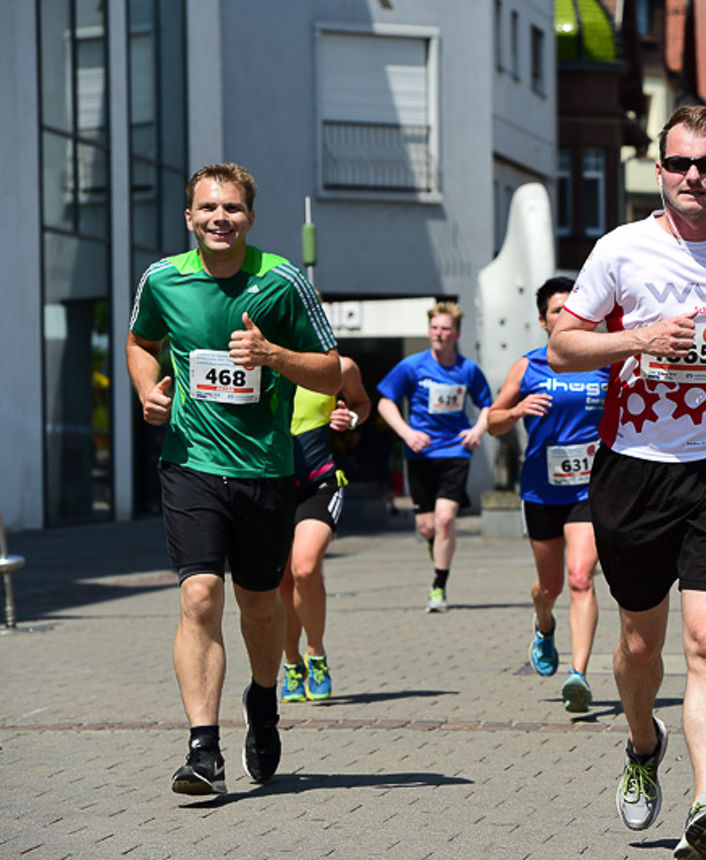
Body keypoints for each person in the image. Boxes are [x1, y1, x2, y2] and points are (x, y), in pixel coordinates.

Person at [547, 104, 706, 860]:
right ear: (659, 171)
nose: (694, 177)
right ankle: (642, 744)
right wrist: (637, 339)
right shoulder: (621, 250)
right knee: (640, 644)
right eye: (681, 164)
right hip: (635, 470)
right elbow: (561, 346)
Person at [125, 163, 341, 796]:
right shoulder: (162, 280)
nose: (220, 218)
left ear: (250, 217)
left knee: (258, 607)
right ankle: (203, 750)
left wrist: (273, 356)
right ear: (189, 217)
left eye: (233, 209)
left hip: (266, 472)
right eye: (207, 209)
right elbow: (141, 342)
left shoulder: (282, 282)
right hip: (190, 463)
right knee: (198, 598)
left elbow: (331, 372)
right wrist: (146, 389)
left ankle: (265, 700)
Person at [486, 277, 608, 713]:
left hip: (588, 491)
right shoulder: (529, 365)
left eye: (572, 308)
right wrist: (515, 410)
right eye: (557, 310)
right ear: (543, 321)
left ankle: (578, 674)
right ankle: (543, 623)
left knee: (580, 577)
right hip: (541, 490)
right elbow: (494, 420)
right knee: (550, 585)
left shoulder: (605, 363)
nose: (565, 316)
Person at [377, 302, 492, 613]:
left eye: (445, 329)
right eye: (435, 328)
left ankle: (439, 587)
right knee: (427, 526)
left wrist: (477, 431)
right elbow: (385, 403)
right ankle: (435, 547)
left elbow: (487, 405)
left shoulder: (467, 369)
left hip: (455, 452)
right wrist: (407, 433)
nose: (439, 334)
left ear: (456, 333)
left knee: (445, 518)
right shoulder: (412, 366)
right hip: (420, 454)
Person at [279, 355, 371, 703]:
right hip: (271, 485)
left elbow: (362, 403)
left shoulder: (341, 367)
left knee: (304, 567)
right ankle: (291, 663)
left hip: (319, 481)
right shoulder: (261, 362)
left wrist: (350, 418)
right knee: (281, 581)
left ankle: (316, 654)